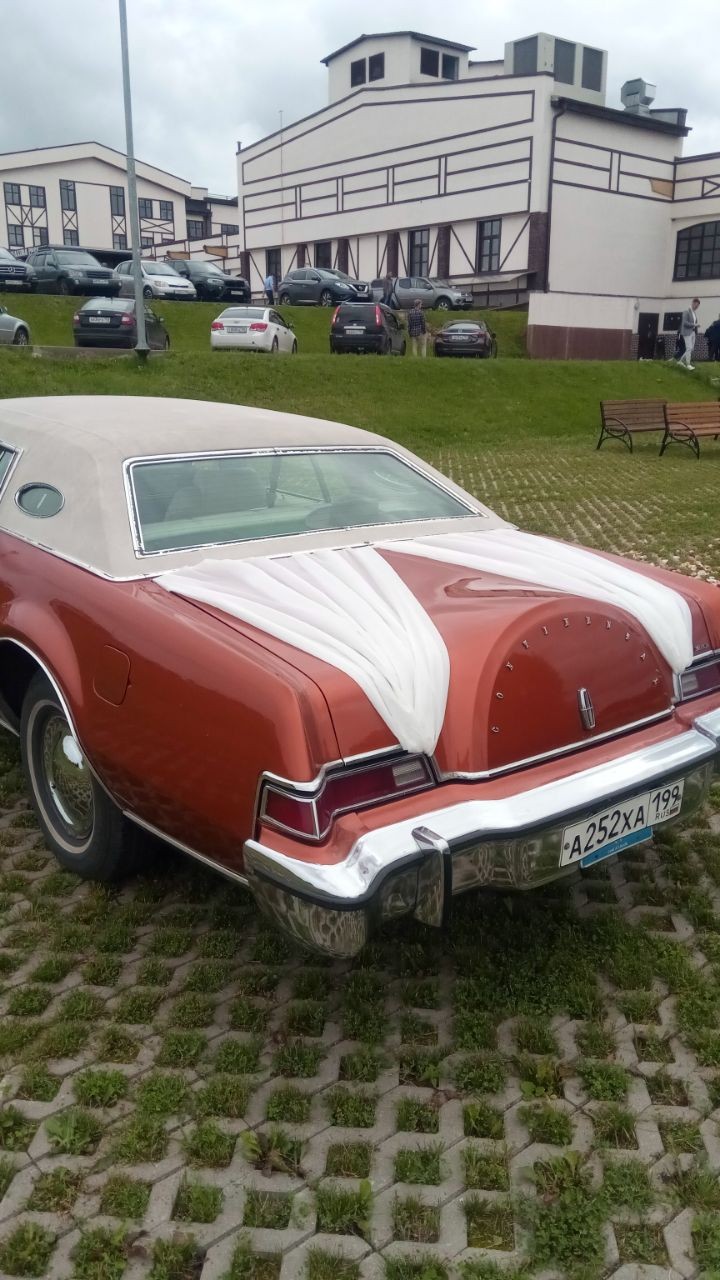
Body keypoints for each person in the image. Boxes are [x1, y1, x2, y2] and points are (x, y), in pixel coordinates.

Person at [677, 298, 701, 370]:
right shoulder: (686, 312)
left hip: (693, 332)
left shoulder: (694, 313)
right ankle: (688, 364)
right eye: (696, 305)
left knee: (691, 348)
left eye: (698, 306)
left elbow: (693, 323)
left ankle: (681, 361)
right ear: (693, 303)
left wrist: (695, 327)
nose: (697, 307)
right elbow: (684, 323)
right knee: (689, 348)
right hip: (687, 332)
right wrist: (695, 325)